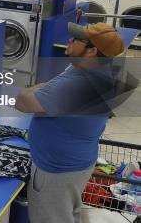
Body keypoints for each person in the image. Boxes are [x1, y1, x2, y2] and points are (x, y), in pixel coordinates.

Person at [15, 22, 125, 223]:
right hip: (77, 162)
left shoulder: (80, 84)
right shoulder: (94, 68)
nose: (69, 40)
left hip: (57, 171)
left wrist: (27, 91)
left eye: (76, 39)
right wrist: (46, 92)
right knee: (67, 212)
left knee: (50, 218)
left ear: (91, 51)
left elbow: (22, 102)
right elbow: (53, 85)